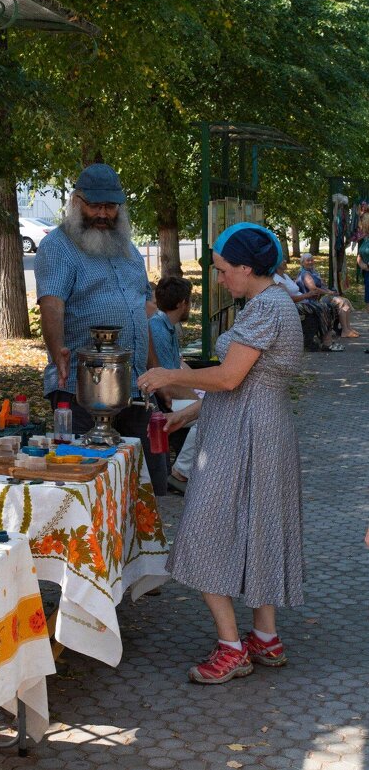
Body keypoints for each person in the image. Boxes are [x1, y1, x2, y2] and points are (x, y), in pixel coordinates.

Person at [138, 222, 305, 684]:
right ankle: (265, 637)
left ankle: (232, 647)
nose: (219, 278)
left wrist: (169, 376)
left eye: (223, 269)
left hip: (249, 438)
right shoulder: (267, 304)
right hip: (256, 431)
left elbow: (230, 380)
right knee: (257, 529)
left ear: (247, 268)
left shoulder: (266, 308)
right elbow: (240, 386)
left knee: (205, 530)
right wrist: (186, 416)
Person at [34, 163, 167, 495]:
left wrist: (155, 367)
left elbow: (142, 310)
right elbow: (51, 303)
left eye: (111, 206)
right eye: (96, 205)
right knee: (89, 484)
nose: (104, 214)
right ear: (77, 201)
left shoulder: (129, 249)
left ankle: (139, 545)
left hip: (134, 386)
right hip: (83, 387)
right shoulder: (58, 247)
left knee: (140, 486)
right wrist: (57, 352)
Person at [148, 276, 203, 492]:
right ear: (182, 304)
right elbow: (166, 383)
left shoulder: (166, 325)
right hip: (163, 400)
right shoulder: (159, 329)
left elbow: (178, 366)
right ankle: (180, 472)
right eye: (190, 301)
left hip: (174, 394)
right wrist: (197, 399)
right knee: (210, 414)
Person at [274, 260, 343, 351]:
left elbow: (296, 290)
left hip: (303, 301)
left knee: (330, 306)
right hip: (292, 305)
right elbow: (288, 298)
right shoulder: (275, 278)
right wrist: (307, 295)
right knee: (323, 308)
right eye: (282, 259)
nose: (285, 261)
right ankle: (327, 342)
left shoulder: (285, 276)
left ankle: (326, 337)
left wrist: (310, 295)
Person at [296, 253, 359, 337]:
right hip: (310, 301)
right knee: (341, 302)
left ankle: (347, 328)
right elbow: (313, 289)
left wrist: (331, 292)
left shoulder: (313, 272)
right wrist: (328, 293)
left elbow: (322, 286)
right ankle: (345, 330)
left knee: (345, 300)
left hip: (319, 298)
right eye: (308, 260)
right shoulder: (305, 274)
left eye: (312, 260)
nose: (310, 262)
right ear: (302, 263)